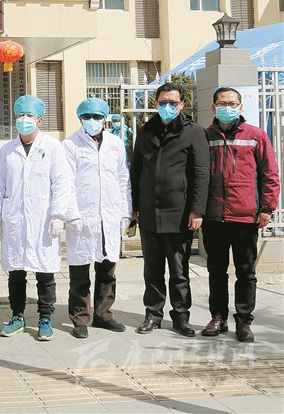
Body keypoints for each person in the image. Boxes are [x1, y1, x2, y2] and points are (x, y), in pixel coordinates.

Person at [0, 95, 72, 342]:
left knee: (45, 271)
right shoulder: (7, 150)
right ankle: (17, 317)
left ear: (39, 120)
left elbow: (62, 184)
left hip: (43, 219)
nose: (24, 120)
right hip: (14, 219)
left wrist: (58, 215)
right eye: (20, 116)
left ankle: (45, 318)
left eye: (29, 116)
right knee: (16, 271)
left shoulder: (53, 147)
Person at [201, 87, 280, 342]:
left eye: (232, 103)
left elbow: (270, 173)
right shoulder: (205, 136)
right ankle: (218, 317)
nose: (228, 108)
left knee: (246, 272)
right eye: (222, 103)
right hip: (214, 215)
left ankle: (244, 321)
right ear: (214, 107)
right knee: (216, 270)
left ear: (240, 107)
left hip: (245, 216)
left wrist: (267, 208)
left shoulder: (256, 135)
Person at [131, 82, 209, 337]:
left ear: (182, 104)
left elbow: (201, 174)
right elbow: (136, 171)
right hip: (149, 213)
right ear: (155, 103)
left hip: (180, 213)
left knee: (179, 271)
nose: (167, 106)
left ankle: (181, 317)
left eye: (173, 103)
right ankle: (153, 315)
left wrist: (197, 210)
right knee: (152, 270)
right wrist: (134, 207)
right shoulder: (146, 131)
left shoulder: (193, 132)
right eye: (163, 102)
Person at [63, 98, 132, 339]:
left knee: (108, 270)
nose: (92, 121)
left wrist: (125, 211)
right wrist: (71, 213)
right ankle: (80, 318)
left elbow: (123, 179)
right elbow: (66, 183)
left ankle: (104, 315)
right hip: (82, 216)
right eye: (87, 117)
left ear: (105, 119)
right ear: (80, 118)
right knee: (79, 272)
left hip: (110, 216)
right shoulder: (70, 145)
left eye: (97, 117)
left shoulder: (115, 144)